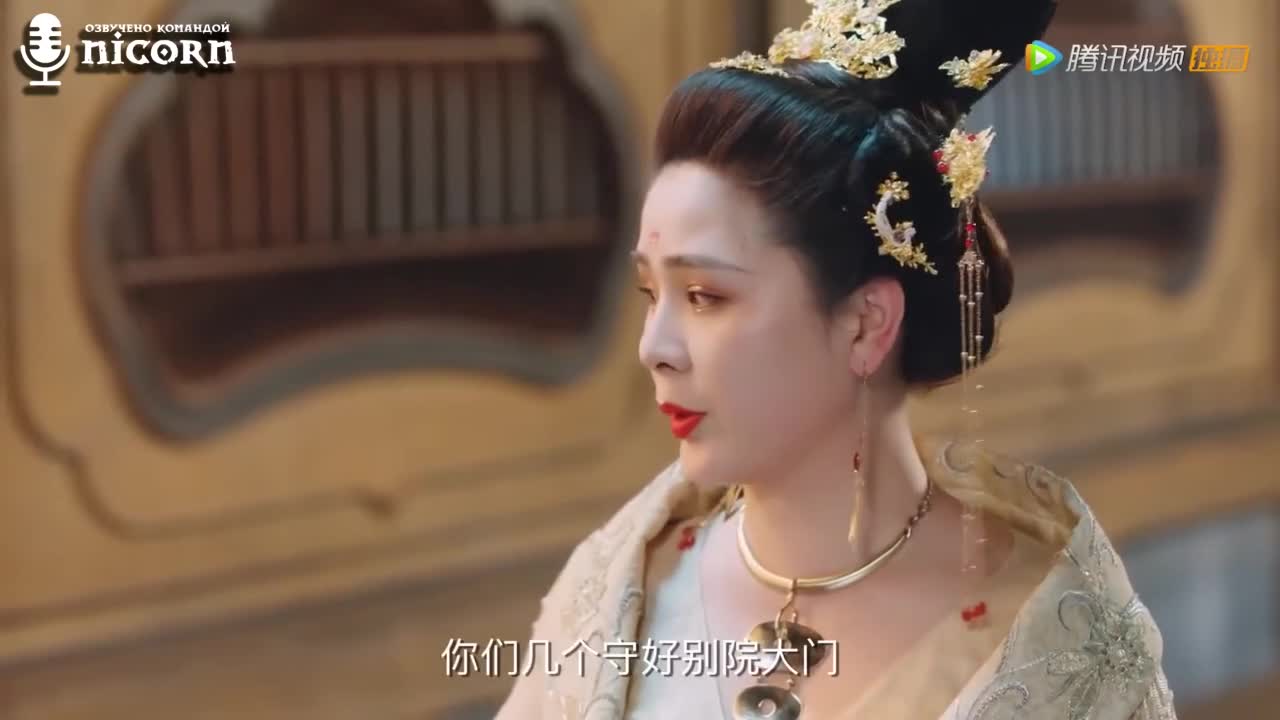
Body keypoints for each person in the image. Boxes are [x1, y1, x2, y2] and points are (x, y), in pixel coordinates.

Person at [495, 1, 1176, 717]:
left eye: (704, 296)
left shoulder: (1062, 650)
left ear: (865, 325)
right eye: (649, 293)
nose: (654, 349)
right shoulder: (618, 584)